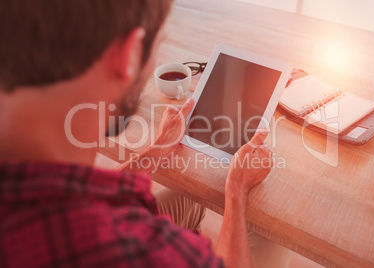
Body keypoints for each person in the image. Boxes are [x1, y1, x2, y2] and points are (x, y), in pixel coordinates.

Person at [0, 0, 290, 267]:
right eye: (158, 47)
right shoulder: (140, 250)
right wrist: (236, 189)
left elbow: (89, 193)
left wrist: (156, 148)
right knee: (272, 237)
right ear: (129, 54)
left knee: (187, 195)